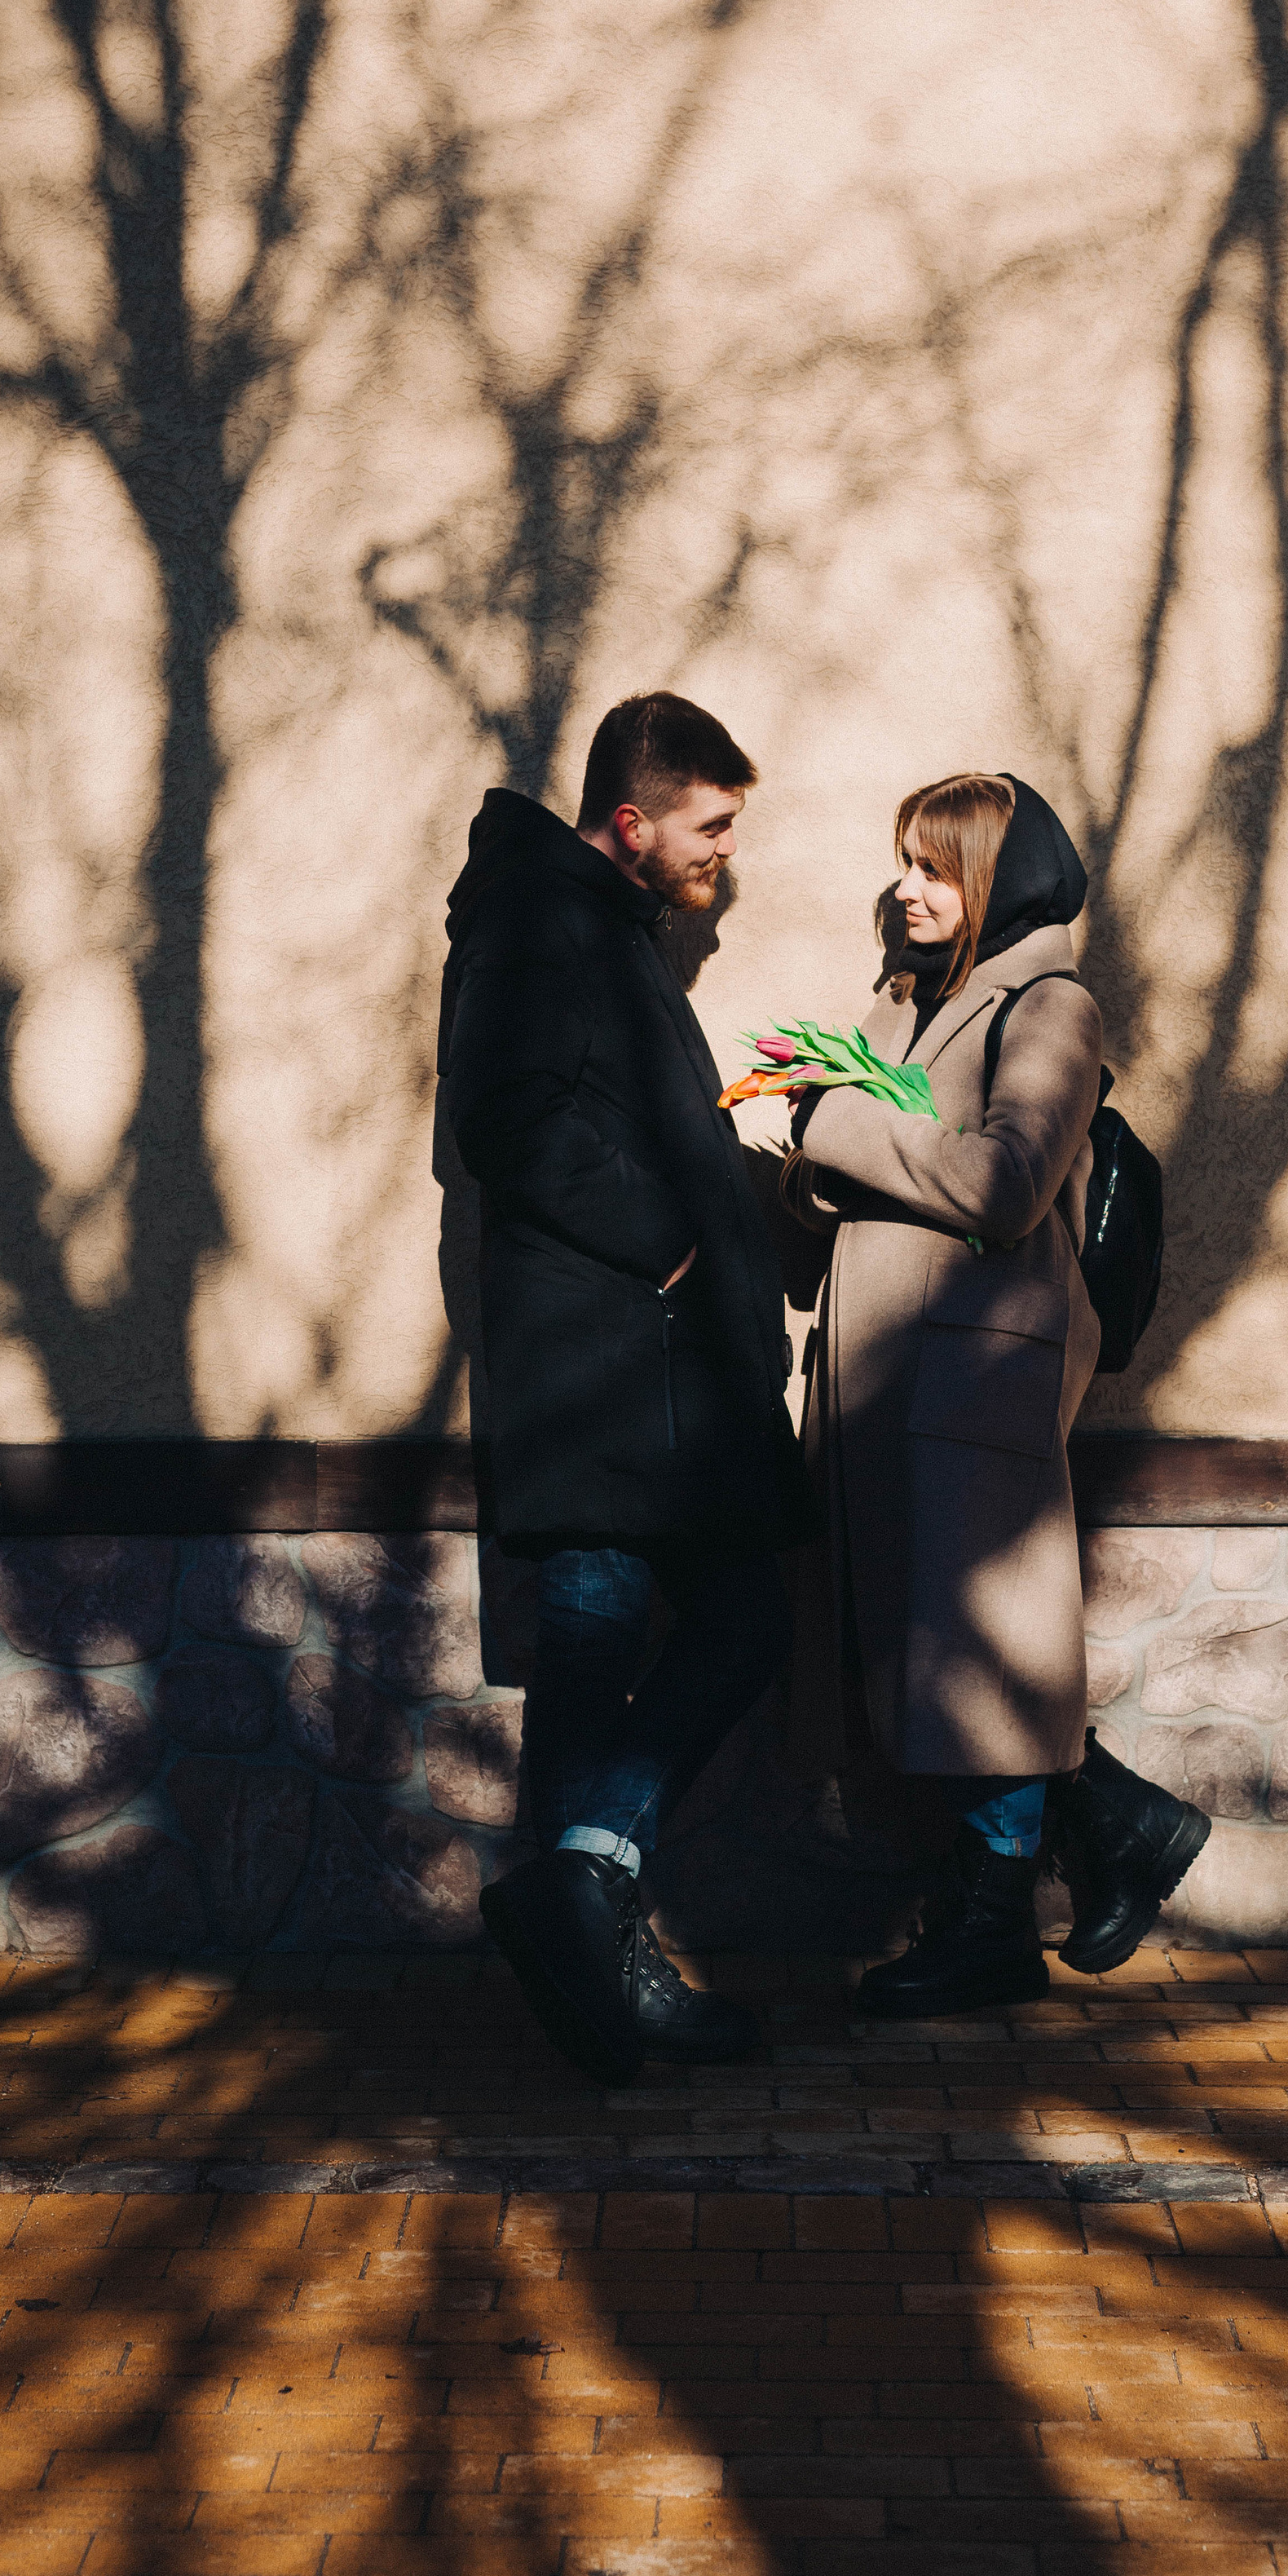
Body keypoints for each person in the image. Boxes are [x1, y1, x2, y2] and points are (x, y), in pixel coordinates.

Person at [787, 771, 1210, 2015]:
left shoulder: (1051, 1007)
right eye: (904, 862)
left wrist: (836, 1124)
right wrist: (812, 1147)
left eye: (935, 868)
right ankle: (1117, 1828)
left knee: (985, 1651)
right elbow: (855, 1166)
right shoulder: (909, 1003)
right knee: (944, 1652)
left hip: (978, 1372)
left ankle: (990, 1925)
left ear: (998, 879)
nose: (905, 889)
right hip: (895, 1376)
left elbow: (1008, 1182)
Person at [439, 693, 807, 2084]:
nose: (726, 853)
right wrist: (671, 1244)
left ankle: (585, 1922)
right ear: (634, 821)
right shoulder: (542, 917)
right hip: (605, 1382)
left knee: (691, 1632)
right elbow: (509, 1118)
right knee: (642, 1641)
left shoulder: (599, 923)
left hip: (643, 1384)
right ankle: (595, 1943)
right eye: (712, 826)